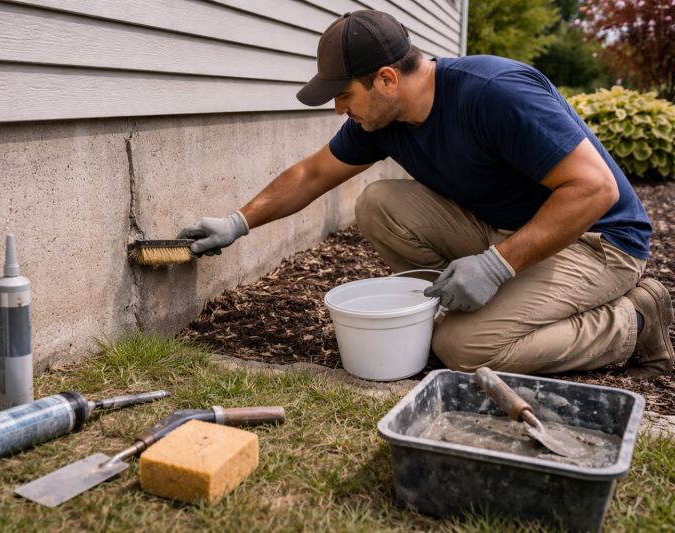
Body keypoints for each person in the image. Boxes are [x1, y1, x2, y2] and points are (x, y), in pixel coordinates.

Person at [179, 10, 673, 378]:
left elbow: (595, 189)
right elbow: (312, 174)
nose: (337, 109)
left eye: (344, 94)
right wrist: (238, 222)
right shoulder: (383, 118)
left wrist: (496, 265)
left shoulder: (494, 92)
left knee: (464, 350)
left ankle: (634, 320)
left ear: (387, 79)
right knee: (379, 203)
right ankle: (472, 304)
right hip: (508, 229)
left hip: (596, 241)